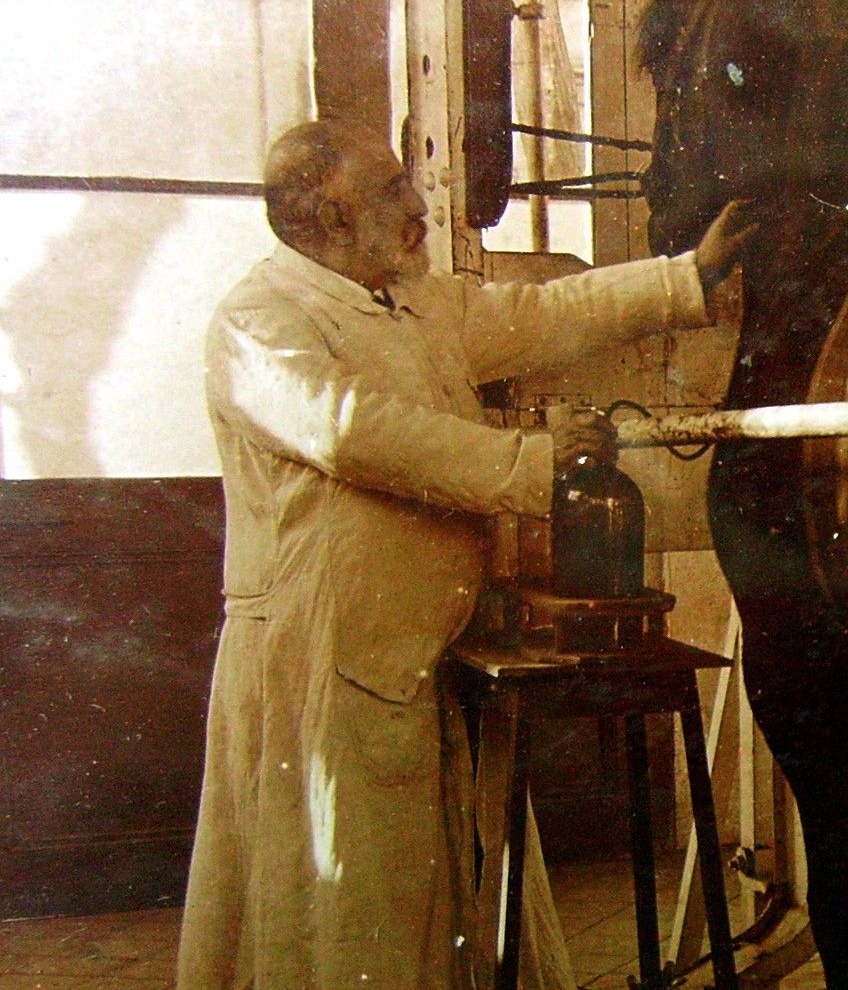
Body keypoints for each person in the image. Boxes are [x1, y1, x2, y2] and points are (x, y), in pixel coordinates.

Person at [176, 118, 755, 989]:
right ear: (328, 219)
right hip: (318, 658)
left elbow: (540, 313)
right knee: (342, 907)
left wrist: (686, 277)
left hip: (419, 649)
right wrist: (528, 463)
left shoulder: (407, 302)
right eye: (390, 192)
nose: (417, 205)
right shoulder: (259, 322)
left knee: (428, 896)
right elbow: (358, 432)